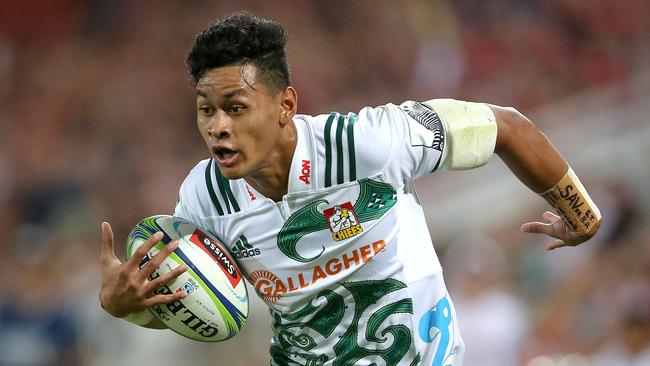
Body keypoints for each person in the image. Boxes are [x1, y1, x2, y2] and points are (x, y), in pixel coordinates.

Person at [99, 12, 602, 366]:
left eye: (236, 107)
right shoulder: (203, 201)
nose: (218, 127)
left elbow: (507, 126)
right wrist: (126, 307)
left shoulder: (370, 144)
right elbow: (202, 306)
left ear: (285, 104)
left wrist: (577, 210)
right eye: (206, 110)